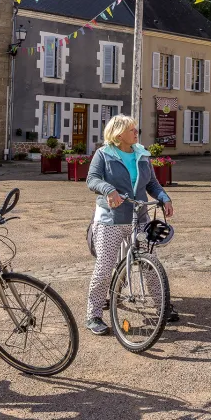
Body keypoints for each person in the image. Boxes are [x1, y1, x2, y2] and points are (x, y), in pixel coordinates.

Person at [85, 115, 175, 335]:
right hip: (110, 219)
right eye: (132, 129)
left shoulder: (141, 155)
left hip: (139, 217)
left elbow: (152, 183)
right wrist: (108, 190)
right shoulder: (103, 154)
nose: (136, 132)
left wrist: (164, 197)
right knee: (105, 268)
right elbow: (92, 179)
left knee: (149, 264)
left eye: (136, 128)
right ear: (118, 134)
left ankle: (162, 307)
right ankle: (93, 315)